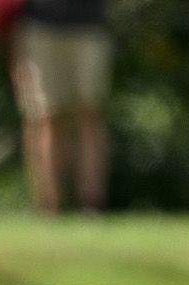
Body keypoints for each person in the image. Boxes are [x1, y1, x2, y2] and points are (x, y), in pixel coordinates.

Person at [8, 0, 112, 213]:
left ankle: (91, 207)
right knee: (46, 116)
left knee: (90, 114)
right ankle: (49, 208)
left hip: (90, 25)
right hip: (38, 25)